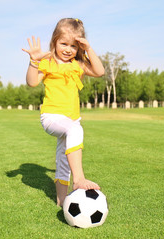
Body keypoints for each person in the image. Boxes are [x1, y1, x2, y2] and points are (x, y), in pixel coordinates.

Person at [22, 18, 104, 207]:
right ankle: (79, 179)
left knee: (63, 161)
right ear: (54, 42)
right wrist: (34, 61)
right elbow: (32, 82)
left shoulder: (78, 65)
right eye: (63, 44)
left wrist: (88, 49)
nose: (68, 49)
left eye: (73, 46)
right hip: (51, 117)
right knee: (76, 131)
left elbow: (99, 71)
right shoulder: (48, 63)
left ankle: (61, 201)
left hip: (71, 120)